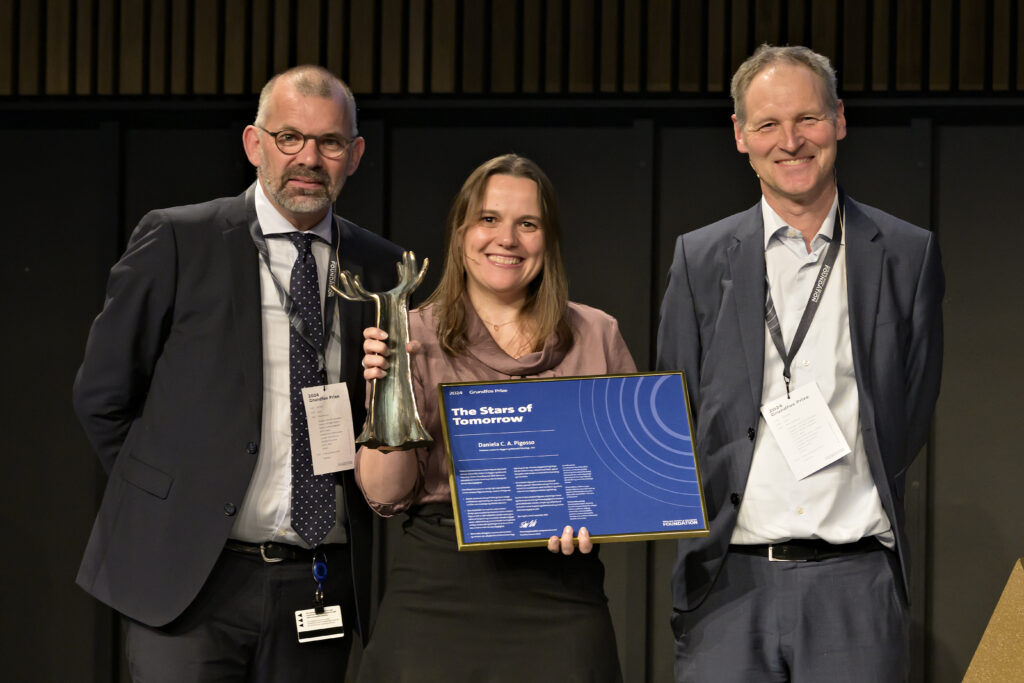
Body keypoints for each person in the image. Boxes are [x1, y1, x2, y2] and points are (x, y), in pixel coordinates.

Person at [72, 65, 403, 681]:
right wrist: (175, 503)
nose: (309, 158)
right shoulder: (179, 238)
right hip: (190, 582)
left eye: (330, 143)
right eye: (289, 138)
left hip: (318, 579)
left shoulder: (381, 267)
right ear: (255, 144)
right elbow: (102, 397)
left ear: (354, 155)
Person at [657, 45, 944, 681]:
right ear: (740, 136)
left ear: (839, 120)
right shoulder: (699, 259)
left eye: (808, 119)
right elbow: (675, 412)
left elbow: (910, 409)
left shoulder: (905, 253)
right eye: (767, 124)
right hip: (728, 588)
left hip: (856, 582)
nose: (791, 141)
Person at [354, 154, 635, 682]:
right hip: (438, 592)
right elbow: (387, 495)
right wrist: (388, 387)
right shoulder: (410, 335)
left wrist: (596, 519)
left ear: (547, 240)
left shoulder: (598, 334)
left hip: (561, 592)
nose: (506, 238)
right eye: (488, 219)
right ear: (461, 233)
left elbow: (625, 484)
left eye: (527, 223)